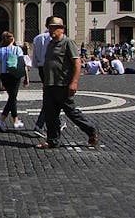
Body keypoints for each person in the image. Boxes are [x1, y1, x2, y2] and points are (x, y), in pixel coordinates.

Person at [37, 17, 99, 150]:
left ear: (62, 29)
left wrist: (74, 82)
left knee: (71, 112)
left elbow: (77, 63)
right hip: (50, 85)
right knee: (50, 115)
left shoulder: (68, 42)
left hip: (63, 84)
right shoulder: (50, 44)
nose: (51, 30)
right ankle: (53, 141)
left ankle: (91, 130)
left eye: (54, 27)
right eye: (50, 27)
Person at [0, 31, 28, 130]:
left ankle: (15, 120)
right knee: (12, 98)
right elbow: (23, 63)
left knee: (12, 97)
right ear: (12, 39)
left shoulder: (0, 50)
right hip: (15, 75)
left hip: (4, 75)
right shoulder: (17, 49)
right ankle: (2, 119)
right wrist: (26, 77)